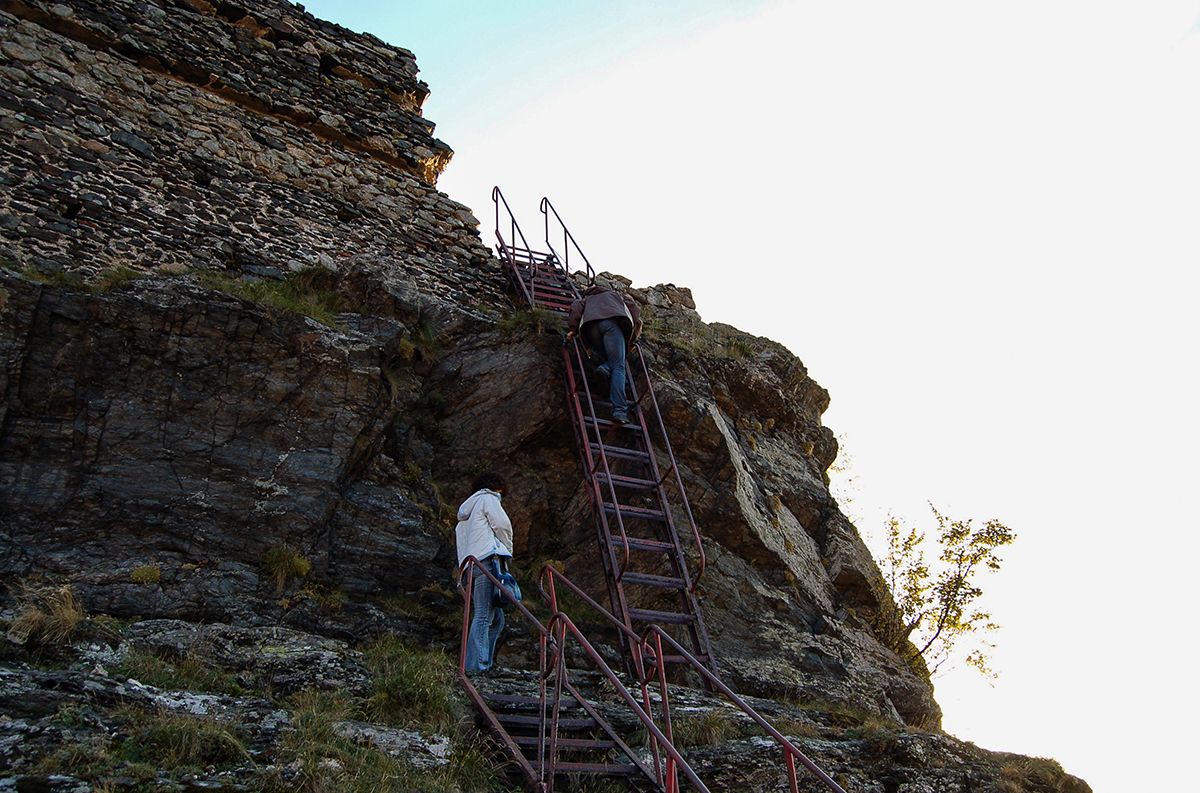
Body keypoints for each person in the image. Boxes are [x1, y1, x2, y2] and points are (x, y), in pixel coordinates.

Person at [455, 471, 514, 672]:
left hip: (472, 566)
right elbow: (502, 525)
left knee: (497, 620)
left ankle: (482, 662)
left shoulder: (466, 515)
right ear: (497, 488)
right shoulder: (489, 498)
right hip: (487, 562)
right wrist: (508, 549)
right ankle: (476, 667)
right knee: (483, 615)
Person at [566, 285, 642, 424]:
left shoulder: (587, 299)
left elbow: (576, 307)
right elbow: (635, 309)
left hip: (591, 329)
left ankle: (604, 369)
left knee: (611, 361)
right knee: (619, 365)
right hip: (612, 326)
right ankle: (619, 411)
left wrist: (573, 329)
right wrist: (633, 338)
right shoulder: (616, 295)